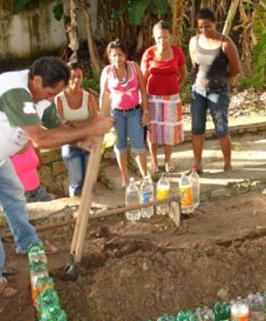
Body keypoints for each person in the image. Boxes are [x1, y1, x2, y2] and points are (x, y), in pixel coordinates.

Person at [0, 57, 113, 298]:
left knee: (14, 196)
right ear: (36, 80)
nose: (50, 99)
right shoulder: (16, 93)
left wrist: (80, 140)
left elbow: (57, 128)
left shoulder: (41, 94)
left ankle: (27, 242)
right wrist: (91, 129)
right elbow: (41, 139)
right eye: (49, 93)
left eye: (54, 95)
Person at [189, 7, 241, 173]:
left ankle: (227, 163)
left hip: (218, 93)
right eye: (201, 27)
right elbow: (194, 65)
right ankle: (197, 165)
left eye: (208, 26)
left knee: (221, 129)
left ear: (215, 23)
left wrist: (221, 79)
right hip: (198, 92)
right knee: (197, 129)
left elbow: (235, 68)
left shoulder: (225, 43)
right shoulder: (194, 41)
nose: (204, 30)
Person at [100, 39, 149, 186]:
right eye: (113, 55)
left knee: (139, 145)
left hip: (134, 112)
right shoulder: (107, 72)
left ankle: (145, 176)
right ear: (109, 57)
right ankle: (125, 179)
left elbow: (143, 91)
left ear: (125, 55)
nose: (117, 58)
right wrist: (103, 118)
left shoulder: (134, 67)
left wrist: (145, 111)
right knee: (120, 146)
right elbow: (103, 95)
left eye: (120, 55)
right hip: (116, 115)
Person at [141, 20, 187, 174]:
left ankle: (168, 160)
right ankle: (154, 162)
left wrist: (174, 87)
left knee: (169, 131)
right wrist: (144, 102)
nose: (163, 40)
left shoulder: (177, 51)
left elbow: (183, 74)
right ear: (154, 37)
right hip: (152, 99)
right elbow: (143, 78)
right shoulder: (149, 53)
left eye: (166, 37)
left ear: (171, 37)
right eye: (159, 37)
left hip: (172, 99)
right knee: (152, 131)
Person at [56, 62, 99, 197]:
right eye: (72, 77)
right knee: (76, 182)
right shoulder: (59, 99)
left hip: (88, 143)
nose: (76, 80)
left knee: (89, 181)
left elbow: (95, 122)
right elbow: (60, 126)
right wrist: (83, 125)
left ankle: (90, 211)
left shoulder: (89, 97)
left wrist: (73, 124)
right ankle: (76, 211)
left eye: (79, 77)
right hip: (70, 144)